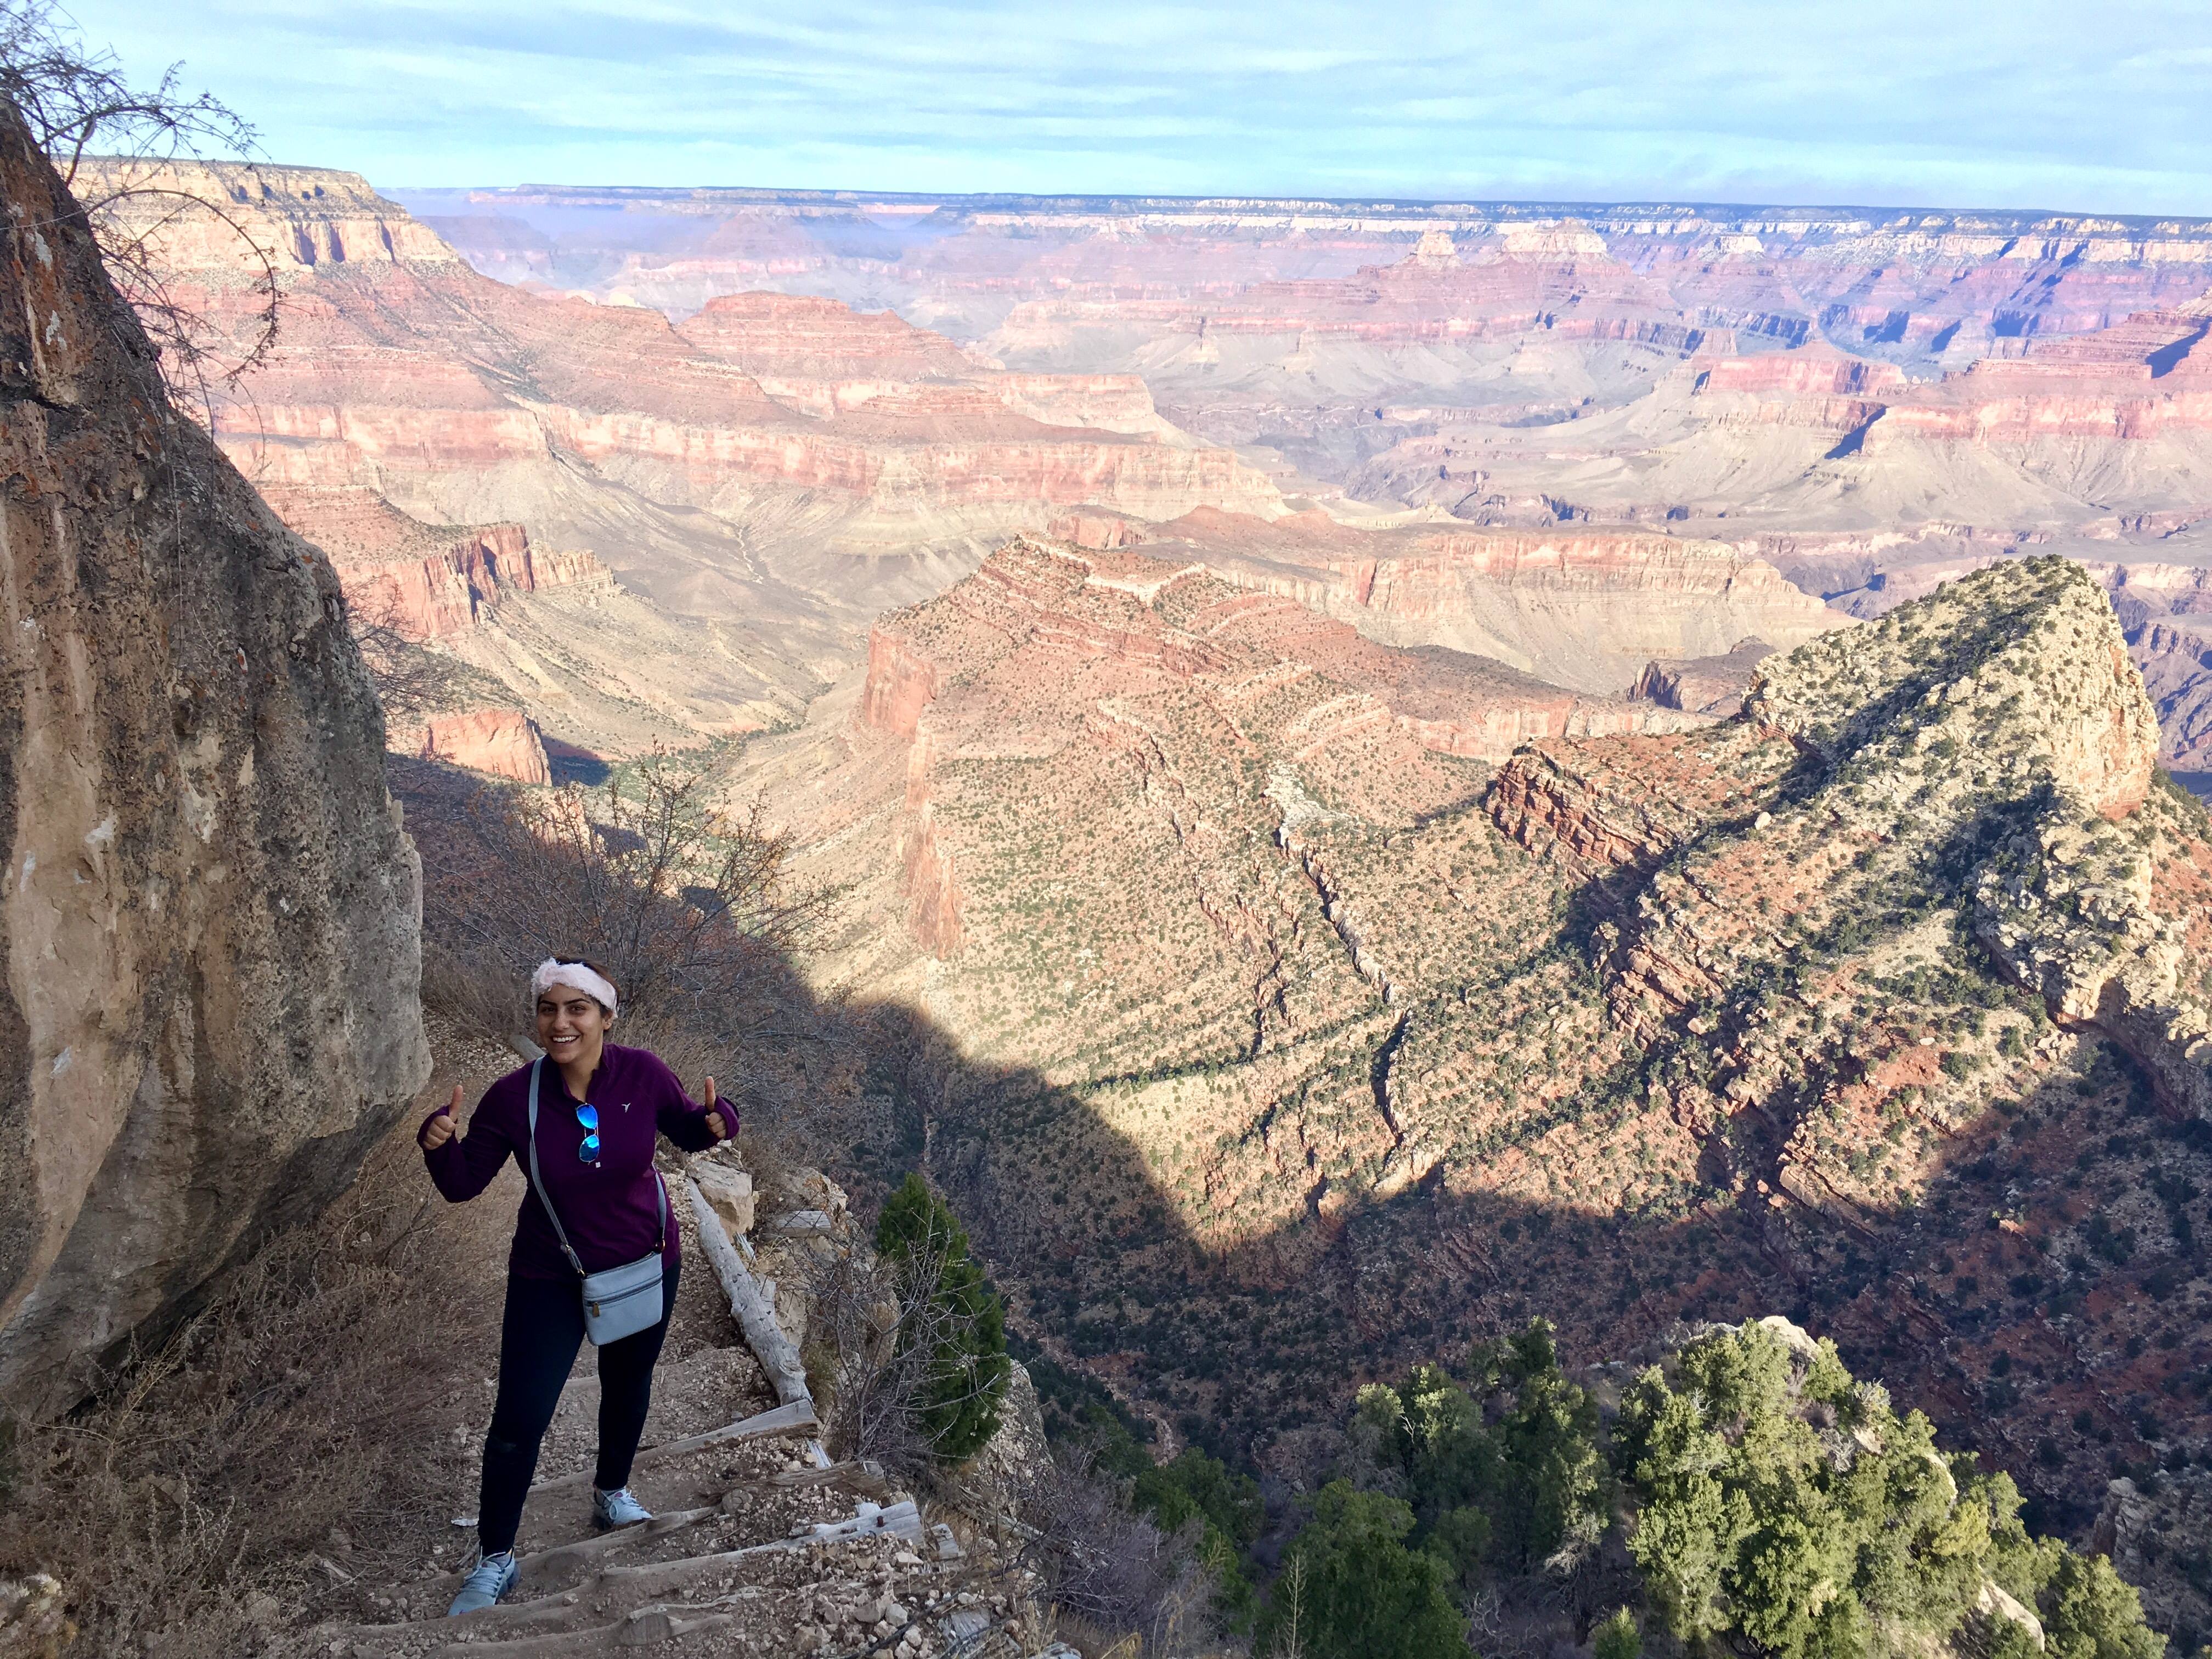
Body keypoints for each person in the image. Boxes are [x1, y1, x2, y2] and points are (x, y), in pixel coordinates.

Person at [419, 957, 732, 1616]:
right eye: (548, 1009)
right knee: (519, 1420)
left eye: (577, 1009)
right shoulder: (515, 1098)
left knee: (628, 1383)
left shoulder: (643, 1074)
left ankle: (611, 1492)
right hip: (551, 1275)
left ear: (606, 1018)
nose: (560, 1023)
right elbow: (462, 1184)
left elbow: (686, 1128)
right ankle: (496, 1559)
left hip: (647, 1260)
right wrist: (439, 1145)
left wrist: (718, 1120)